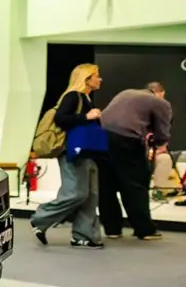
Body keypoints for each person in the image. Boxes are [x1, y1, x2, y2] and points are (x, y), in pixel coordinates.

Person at [30, 64, 105, 248]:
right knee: (76, 193)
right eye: (96, 75)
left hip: (87, 152)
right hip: (71, 152)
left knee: (91, 196)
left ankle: (84, 236)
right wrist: (87, 117)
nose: (100, 79)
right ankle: (41, 217)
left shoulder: (86, 98)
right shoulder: (73, 96)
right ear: (86, 79)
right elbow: (61, 119)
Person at [98, 81, 172, 241]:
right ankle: (144, 230)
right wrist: (160, 143)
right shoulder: (160, 102)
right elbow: (162, 132)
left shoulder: (126, 92)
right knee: (135, 184)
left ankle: (112, 229)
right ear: (159, 93)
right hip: (126, 139)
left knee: (106, 184)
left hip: (101, 137)